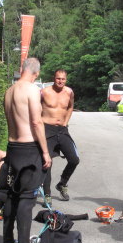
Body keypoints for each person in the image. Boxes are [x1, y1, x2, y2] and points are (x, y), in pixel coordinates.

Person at [0, 57, 53, 243]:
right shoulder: (31, 90)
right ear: (36, 73)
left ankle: (7, 242)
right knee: (26, 199)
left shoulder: (9, 91)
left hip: (12, 147)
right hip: (29, 149)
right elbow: (36, 122)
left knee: (12, 196)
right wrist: (45, 152)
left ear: (22, 69)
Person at [41, 69, 79, 203]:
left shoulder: (69, 92)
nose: (60, 81)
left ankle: (62, 183)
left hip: (62, 130)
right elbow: (35, 109)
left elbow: (70, 107)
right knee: (47, 162)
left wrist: (66, 122)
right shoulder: (44, 92)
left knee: (74, 159)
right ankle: (47, 194)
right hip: (47, 129)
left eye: (63, 79)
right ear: (54, 78)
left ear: (66, 79)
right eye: (58, 78)